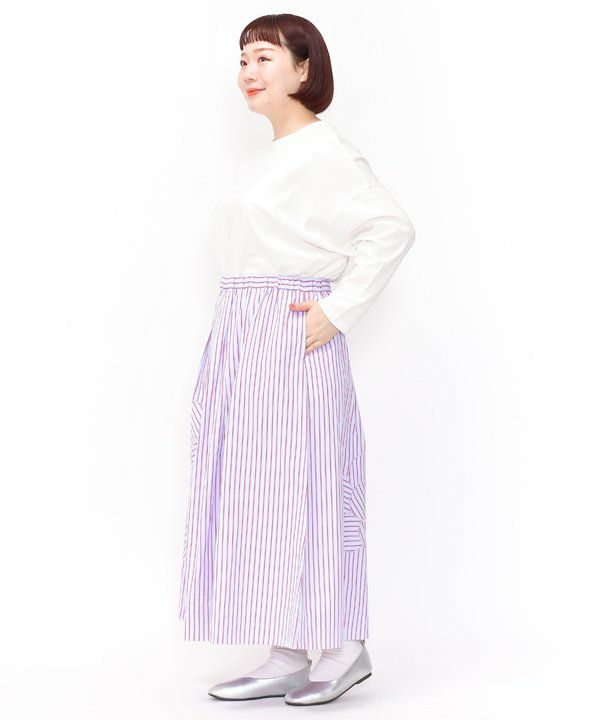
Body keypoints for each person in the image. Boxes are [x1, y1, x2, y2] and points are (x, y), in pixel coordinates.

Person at [178, 13, 416, 706]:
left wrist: (336, 311)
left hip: (291, 338)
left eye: (265, 57)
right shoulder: (270, 158)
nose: (248, 72)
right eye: (242, 59)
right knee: (258, 490)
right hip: (244, 338)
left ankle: (342, 646)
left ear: (305, 69)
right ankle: (287, 647)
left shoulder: (326, 152)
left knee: (310, 485)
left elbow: (391, 228)